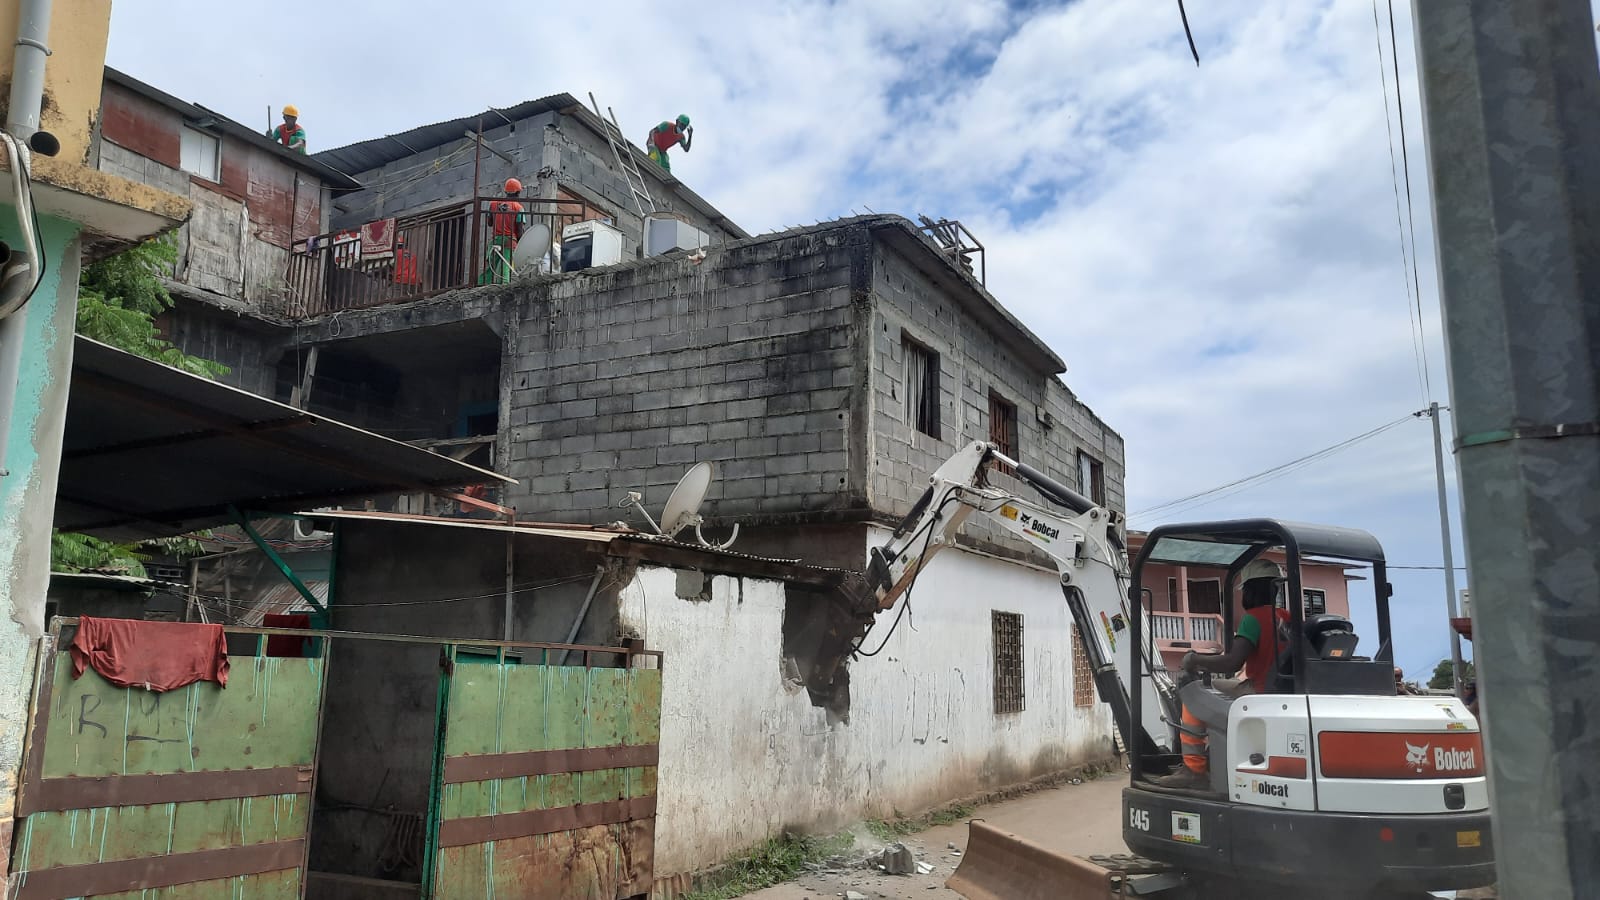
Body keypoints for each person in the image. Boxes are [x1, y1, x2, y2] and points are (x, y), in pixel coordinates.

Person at [1152, 559, 1290, 790]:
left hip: (1257, 690)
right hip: (1281, 690)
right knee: (1219, 687)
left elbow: (1231, 662)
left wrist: (1195, 659)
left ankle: (1193, 768)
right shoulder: (1287, 617)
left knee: (1192, 693)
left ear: (1251, 590)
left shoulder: (1253, 618)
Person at [478, 178, 527, 285]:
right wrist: (521, 243)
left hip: (495, 239)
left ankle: (481, 285)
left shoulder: (493, 204)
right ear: (518, 192)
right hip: (510, 241)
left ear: (506, 191)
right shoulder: (519, 208)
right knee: (506, 265)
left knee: (490, 265)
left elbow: (490, 223)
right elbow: (519, 230)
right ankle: (503, 287)